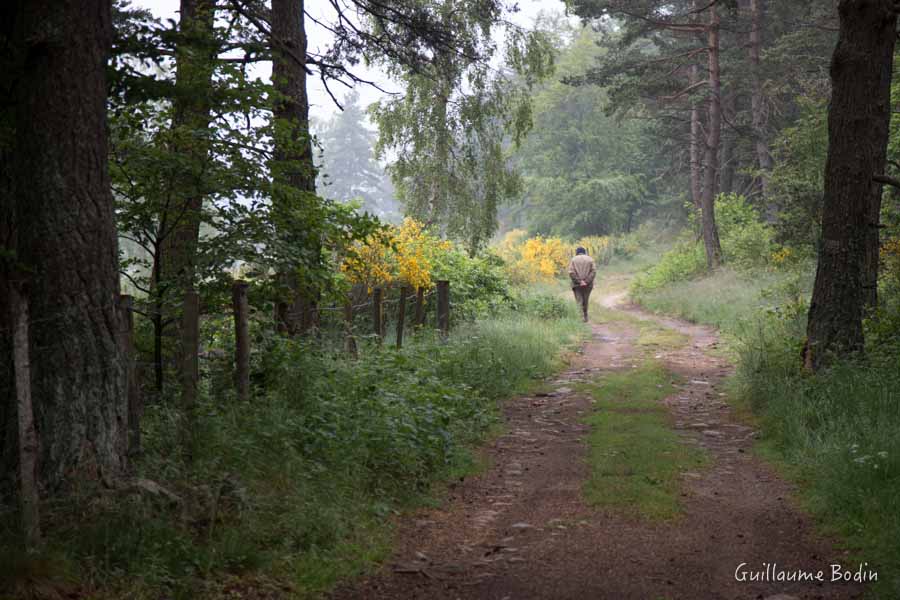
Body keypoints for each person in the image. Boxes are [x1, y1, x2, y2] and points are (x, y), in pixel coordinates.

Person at [567, 246, 596, 322]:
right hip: (588, 285)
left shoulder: (573, 259)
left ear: (577, 252)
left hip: (576, 285)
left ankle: (580, 317)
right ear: (584, 252)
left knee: (579, 300)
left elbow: (571, 272)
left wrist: (580, 281)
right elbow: (593, 272)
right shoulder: (590, 259)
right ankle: (586, 316)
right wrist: (586, 281)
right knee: (586, 300)